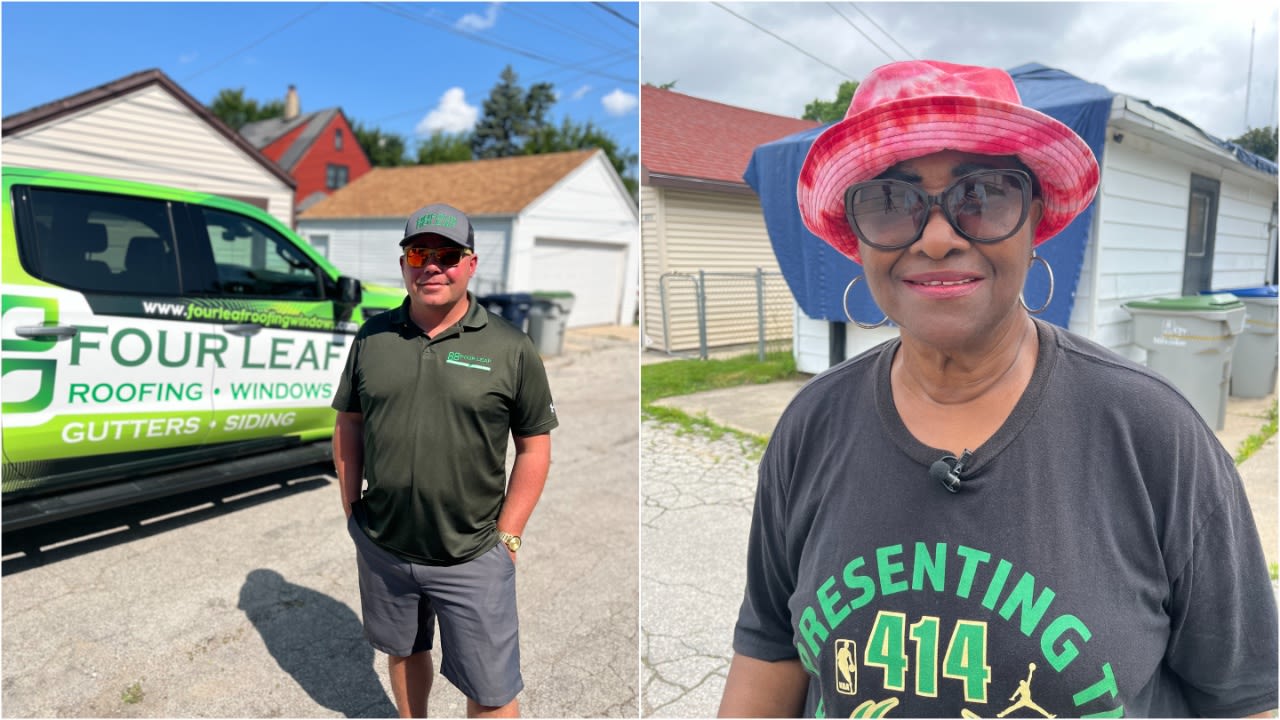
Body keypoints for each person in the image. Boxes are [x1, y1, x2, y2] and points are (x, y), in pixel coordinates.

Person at [718, 60, 1278, 718]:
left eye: (980, 194)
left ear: (1035, 217)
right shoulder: (811, 426)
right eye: (892, 201)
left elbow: (1246, 699)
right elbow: (770, 649)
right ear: (856, 234)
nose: (935, 238)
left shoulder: (1153, 434)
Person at [332, 202, 558, 718]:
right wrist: (352, 512)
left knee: (493, 692)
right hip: (386, 547)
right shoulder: (373, 338)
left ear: (470, 264)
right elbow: (349, 421)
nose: (431, 265)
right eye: (418, 252)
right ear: (404, 263)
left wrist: (510, 537)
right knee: (405, 651)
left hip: (473, 554)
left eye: (447, 254)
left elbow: (534, 445)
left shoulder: (510, 347)